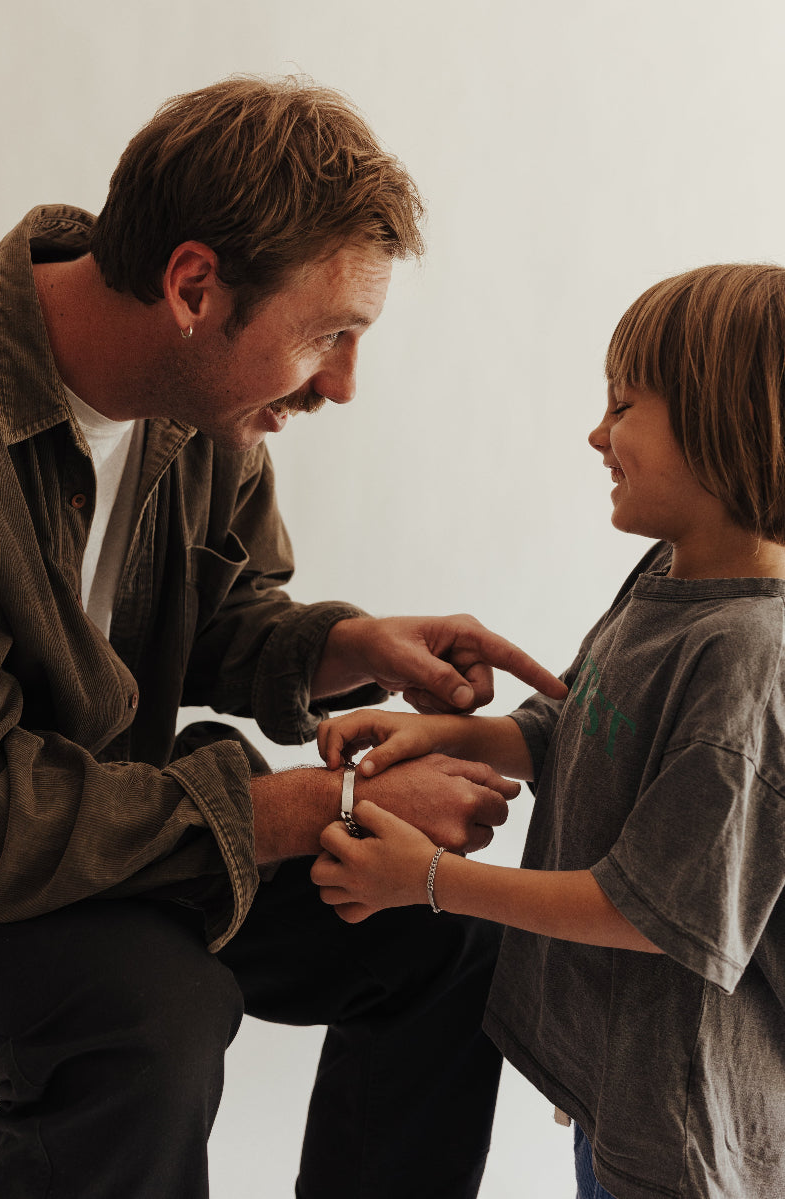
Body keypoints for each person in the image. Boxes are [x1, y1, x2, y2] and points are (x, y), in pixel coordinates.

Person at [0, 77, 567, 1199]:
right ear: (194, 285)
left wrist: (345, 644)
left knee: (444, 926)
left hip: (118, 819)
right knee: (151, 1013)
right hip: (7, 847)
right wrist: (322, 807)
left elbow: (215, 612)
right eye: (328, 336)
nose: (343, 384)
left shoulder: (191, 396)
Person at [313, 263, 785, 1199]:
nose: (596, 434)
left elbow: (650, 909)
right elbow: (587, 721)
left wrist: (429, 883)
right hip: (617, 1080)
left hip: (681, 1126)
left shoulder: (749, 653)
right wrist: (454, 739)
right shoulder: (672, 575)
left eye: (623, 404)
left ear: (724, 420)